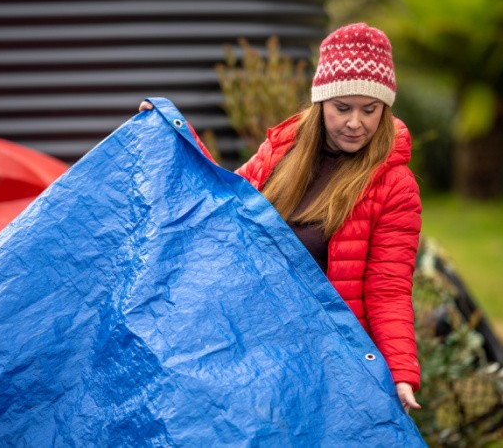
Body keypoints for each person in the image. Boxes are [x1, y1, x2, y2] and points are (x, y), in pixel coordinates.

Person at [139, 22, 422, 412]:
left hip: (330, 357)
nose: (356, 123)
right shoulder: (282, 151)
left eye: (369, 110)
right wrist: (172, 135)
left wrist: (402, 371)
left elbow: (388, 287)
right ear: (321, 102)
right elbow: (224, 205)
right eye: (343, 108)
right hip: (259, 341)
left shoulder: (394, 184)